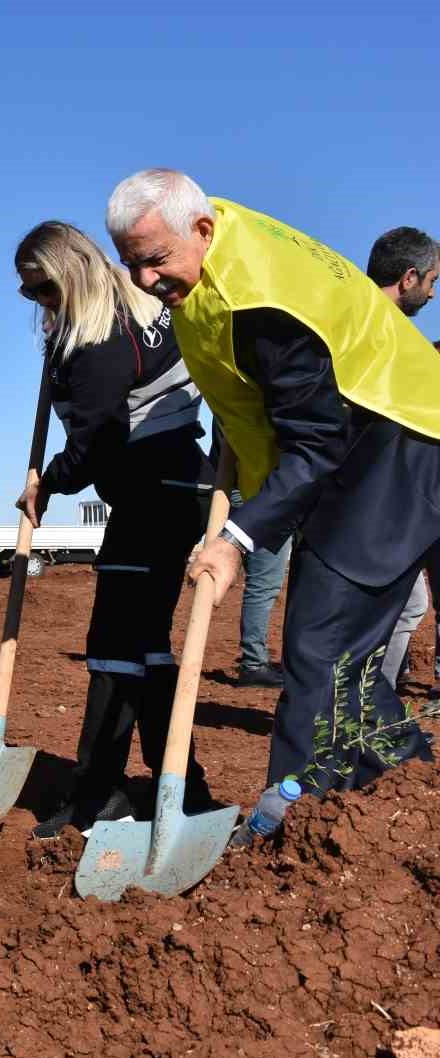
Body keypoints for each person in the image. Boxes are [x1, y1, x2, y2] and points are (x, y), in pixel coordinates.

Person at [107, 169, 438, 799]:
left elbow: (316, 442)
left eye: (154, 261)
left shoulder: (260, 303)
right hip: (372, 442)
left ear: (202, 230)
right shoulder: (214, 240)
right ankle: (406, 807)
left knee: (323, 648)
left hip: (400, 443)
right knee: (343, 662)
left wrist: (235, 536)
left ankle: (296, 819)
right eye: (131, 265)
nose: (145, 280)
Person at [11, 221, 216, 838]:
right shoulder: (140, 309)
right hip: (181, 484)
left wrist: (46, 482)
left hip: (152, 492)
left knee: (112, 647)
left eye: (43, 289)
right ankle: (182, 784)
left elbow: (98, 440)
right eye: (28, 294)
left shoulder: (97, 341)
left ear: (68, 273)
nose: (38, 302)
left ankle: (97, 791)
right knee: (144, 646)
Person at [365, 227, 437, 690]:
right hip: (381, 500)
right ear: (409, 278)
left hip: (383, 499)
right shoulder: (385, 338)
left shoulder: (358, 321)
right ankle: (367, 705)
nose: (433, 294)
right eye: (432, 281)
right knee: (397, 604)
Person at [216, 421, 290, 688]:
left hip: (242, 492)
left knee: (262, 583)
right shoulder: (255, 405)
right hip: (261, 495)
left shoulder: (228, 400)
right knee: (264, 584)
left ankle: (255, 661)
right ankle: (253, 663)